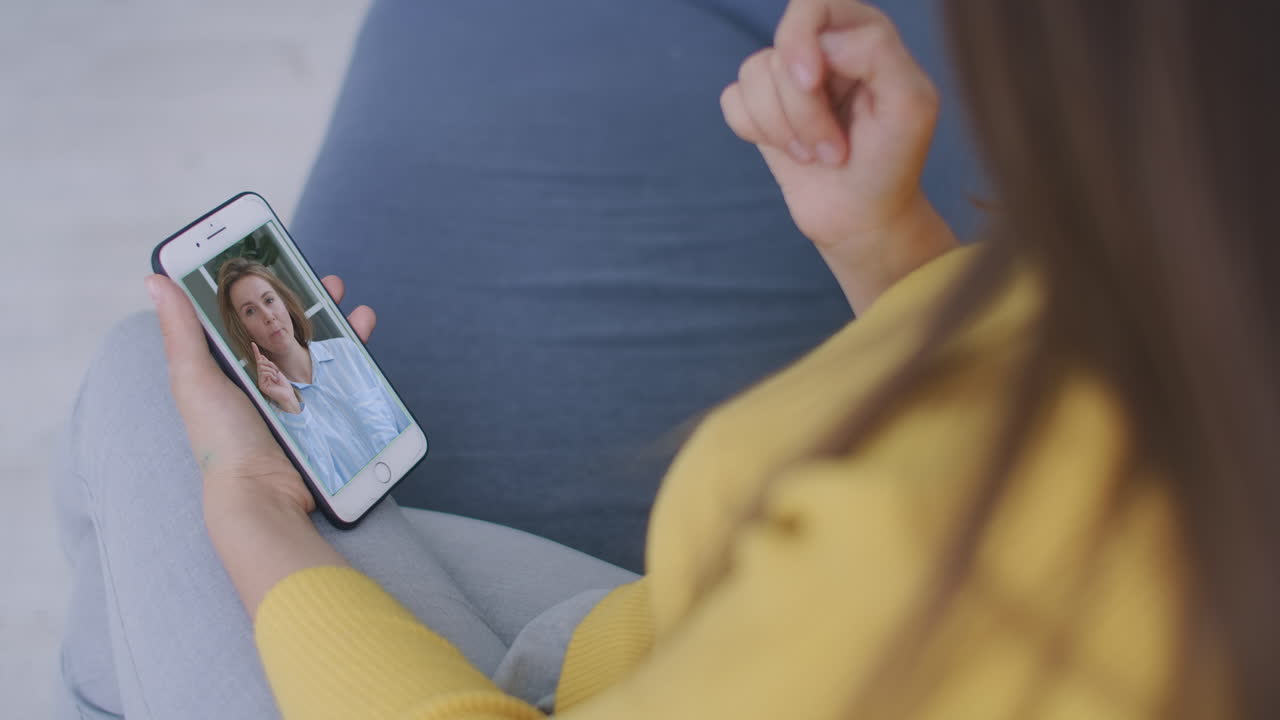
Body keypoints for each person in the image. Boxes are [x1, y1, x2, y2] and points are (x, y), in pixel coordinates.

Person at [53, 0, 1278, 718]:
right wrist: (891, 250)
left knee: (146, 404)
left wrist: (255, 511)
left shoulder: (930, 563)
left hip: (633, 663)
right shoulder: (1200, 343)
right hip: (647, 641)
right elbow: (1020, 398)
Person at [216, 258, 410, 494]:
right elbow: (327, 488)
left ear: (284, 303)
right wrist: (290, 404)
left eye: (269, 300)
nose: (268, 315)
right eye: (250, 311)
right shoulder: (278, 414)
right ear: (242, 329)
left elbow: (403, 425)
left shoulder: (346, 351)